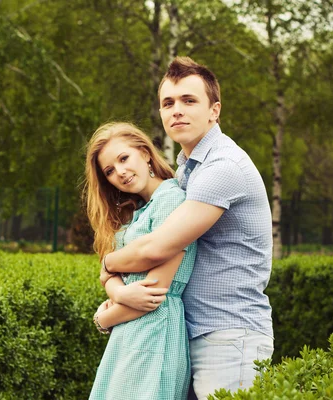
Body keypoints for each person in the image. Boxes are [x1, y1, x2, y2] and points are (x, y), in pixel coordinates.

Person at [99, 57, 274, 399]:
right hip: (191, 332)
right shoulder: (188, 171)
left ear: (214, 110)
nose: (177, 110)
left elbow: (157, 248)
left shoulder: (223, 167)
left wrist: (107, 266)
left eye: (189, 101)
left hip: (228, 335)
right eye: (168, 103)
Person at [85, 122, 197, 400]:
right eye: (109, 171)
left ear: (145, 154)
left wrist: (103, 318)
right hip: (128, 335)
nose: (120, 172)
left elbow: (153, 293)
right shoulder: (135, 211)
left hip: (154, 330)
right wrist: (121, 292)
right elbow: (107, 273)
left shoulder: (172, 201)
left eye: (124, 158)